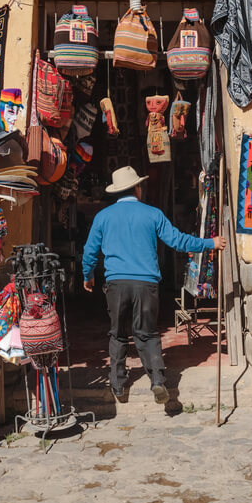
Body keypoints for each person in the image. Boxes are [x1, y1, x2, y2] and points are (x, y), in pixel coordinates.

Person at [82, 165, 226, 403]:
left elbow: (89, 252)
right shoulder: (152, 214)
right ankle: (158, 380)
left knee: (117, 334)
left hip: (116, 284)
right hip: (146, 284)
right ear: (137, 189)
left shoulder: (103, 217)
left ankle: (117, 384)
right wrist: (210, 243)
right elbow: (178, 241)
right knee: (147, 334)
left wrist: (88, 276)